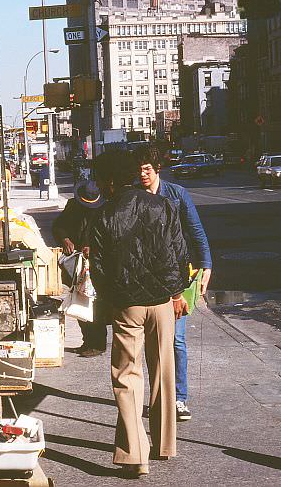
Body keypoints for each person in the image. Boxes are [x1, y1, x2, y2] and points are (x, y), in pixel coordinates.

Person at [89, 150, 190, 478]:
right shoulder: (164, 206)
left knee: (127, 378)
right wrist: (176, 293)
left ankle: (135, 455)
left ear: (110, 180)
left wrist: (110, 300)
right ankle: (164, 445)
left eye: (101, 180)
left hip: (126, 304)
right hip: (162, 302)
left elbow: (99, 269)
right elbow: (179, 253)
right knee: (164, 372)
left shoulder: (104, 215)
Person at [133, 146, 212, 422]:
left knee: (177, 339)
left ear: (157, 170)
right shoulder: (134, 196)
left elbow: (196, 231)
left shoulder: (177, 195)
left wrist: (207, 266)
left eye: (147, 169)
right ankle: (157, 395)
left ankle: (179, 398)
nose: (143, 174)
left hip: (178, 276)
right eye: (139, 169)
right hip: (145, 278)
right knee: (150, 341)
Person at [51, 179, 107, 357]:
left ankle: (98, 343)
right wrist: (65, 238)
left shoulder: (105, 208)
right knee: (79, 300)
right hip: (77, 263)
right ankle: (87, 341)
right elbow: (58, 226)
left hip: (98, 263)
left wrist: (94, 247)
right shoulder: (72, 206)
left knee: (95, 304)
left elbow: (109, 233)